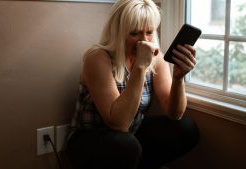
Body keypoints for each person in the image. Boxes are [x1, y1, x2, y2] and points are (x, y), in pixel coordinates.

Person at [66, 0, 199, 169]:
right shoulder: (98, 58)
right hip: (90, 138)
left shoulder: (156, 58)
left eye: (149, 32)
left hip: (130, 135)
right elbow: (118, 123)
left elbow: (175, 114)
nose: (143, 41)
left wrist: (179, 78)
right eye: (134, 34)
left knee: (186, 128)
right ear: (118, 33)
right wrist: (140, 67)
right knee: (126, 146)